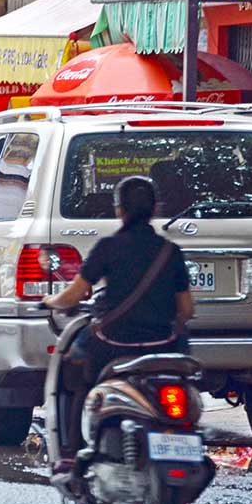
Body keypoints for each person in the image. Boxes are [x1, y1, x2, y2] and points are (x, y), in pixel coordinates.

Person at [42, 176, 194, 467]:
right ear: (155, 209)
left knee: (73, 368)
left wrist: (50, 301)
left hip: (112, 344)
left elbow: (73, 296)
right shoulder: (169, 251)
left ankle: (71, 452)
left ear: (119, 210)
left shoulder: (108, 247)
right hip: (164, 346)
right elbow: (186, 309)